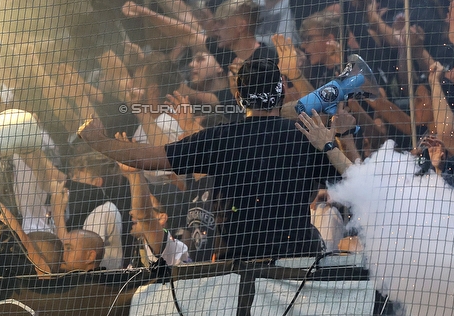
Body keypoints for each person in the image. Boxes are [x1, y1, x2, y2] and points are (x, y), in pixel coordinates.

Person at [79, 58, 340, 261]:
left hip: (237, 267)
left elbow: (153, 158)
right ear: (283, 89)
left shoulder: (222, 138)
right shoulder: (306, 136)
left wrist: (99, 141)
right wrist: (344, 133)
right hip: (298, 260)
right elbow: (348, 179)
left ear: (238, 96)